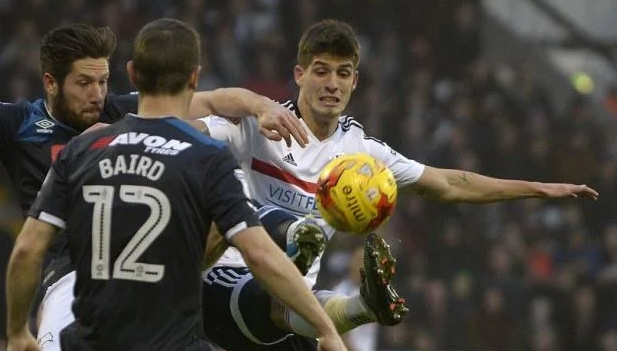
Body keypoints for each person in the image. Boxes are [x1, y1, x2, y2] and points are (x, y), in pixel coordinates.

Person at [0, 23, 310, 350]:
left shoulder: (120, 110)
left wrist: (263, 106)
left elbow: (217, 99)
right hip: (71, 277)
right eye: (84, 83)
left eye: (103, 81)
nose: (97, 95)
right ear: (50, 82)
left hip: (148, 271)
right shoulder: (19, 124)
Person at [195, 19, 599, 350]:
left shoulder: (362, 154)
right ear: (299, 75)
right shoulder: (258, 126)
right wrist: (247, 105)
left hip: (294, 313)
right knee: (264, 252)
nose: (331, 84)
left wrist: (538, 188)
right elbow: (182, 123)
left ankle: (359, 305)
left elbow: (449, 184)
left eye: (343, 73)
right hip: (227, 283)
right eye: (321, 71)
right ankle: (294, 242)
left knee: (308, 314)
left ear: (355, 82)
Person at [4, 18, 346, 351]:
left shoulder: (81, 148)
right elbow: (259, 254)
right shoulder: (208, 156)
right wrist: (325, 328)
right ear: (195, 77)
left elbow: (27, 250)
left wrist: (17, 331)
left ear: (132, 73)